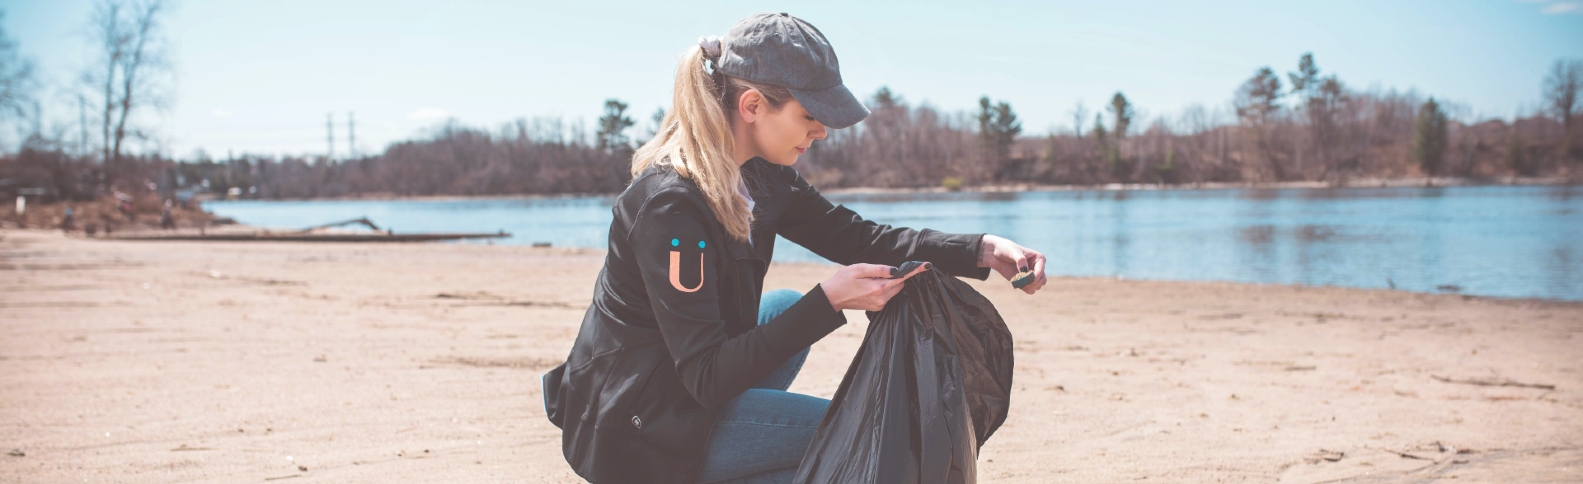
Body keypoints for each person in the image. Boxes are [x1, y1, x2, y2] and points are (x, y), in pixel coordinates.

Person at [540, 13, 1048, 484]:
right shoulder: (671, 209)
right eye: (810, 114)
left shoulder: (761, 177)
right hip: (637, 429)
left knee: (780, 307)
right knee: (859, 439)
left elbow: (858, 236)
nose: (822, 130)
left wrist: (982, 250)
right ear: (753, 106)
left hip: (684, 386)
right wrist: (828, 301)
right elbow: (708, 377)